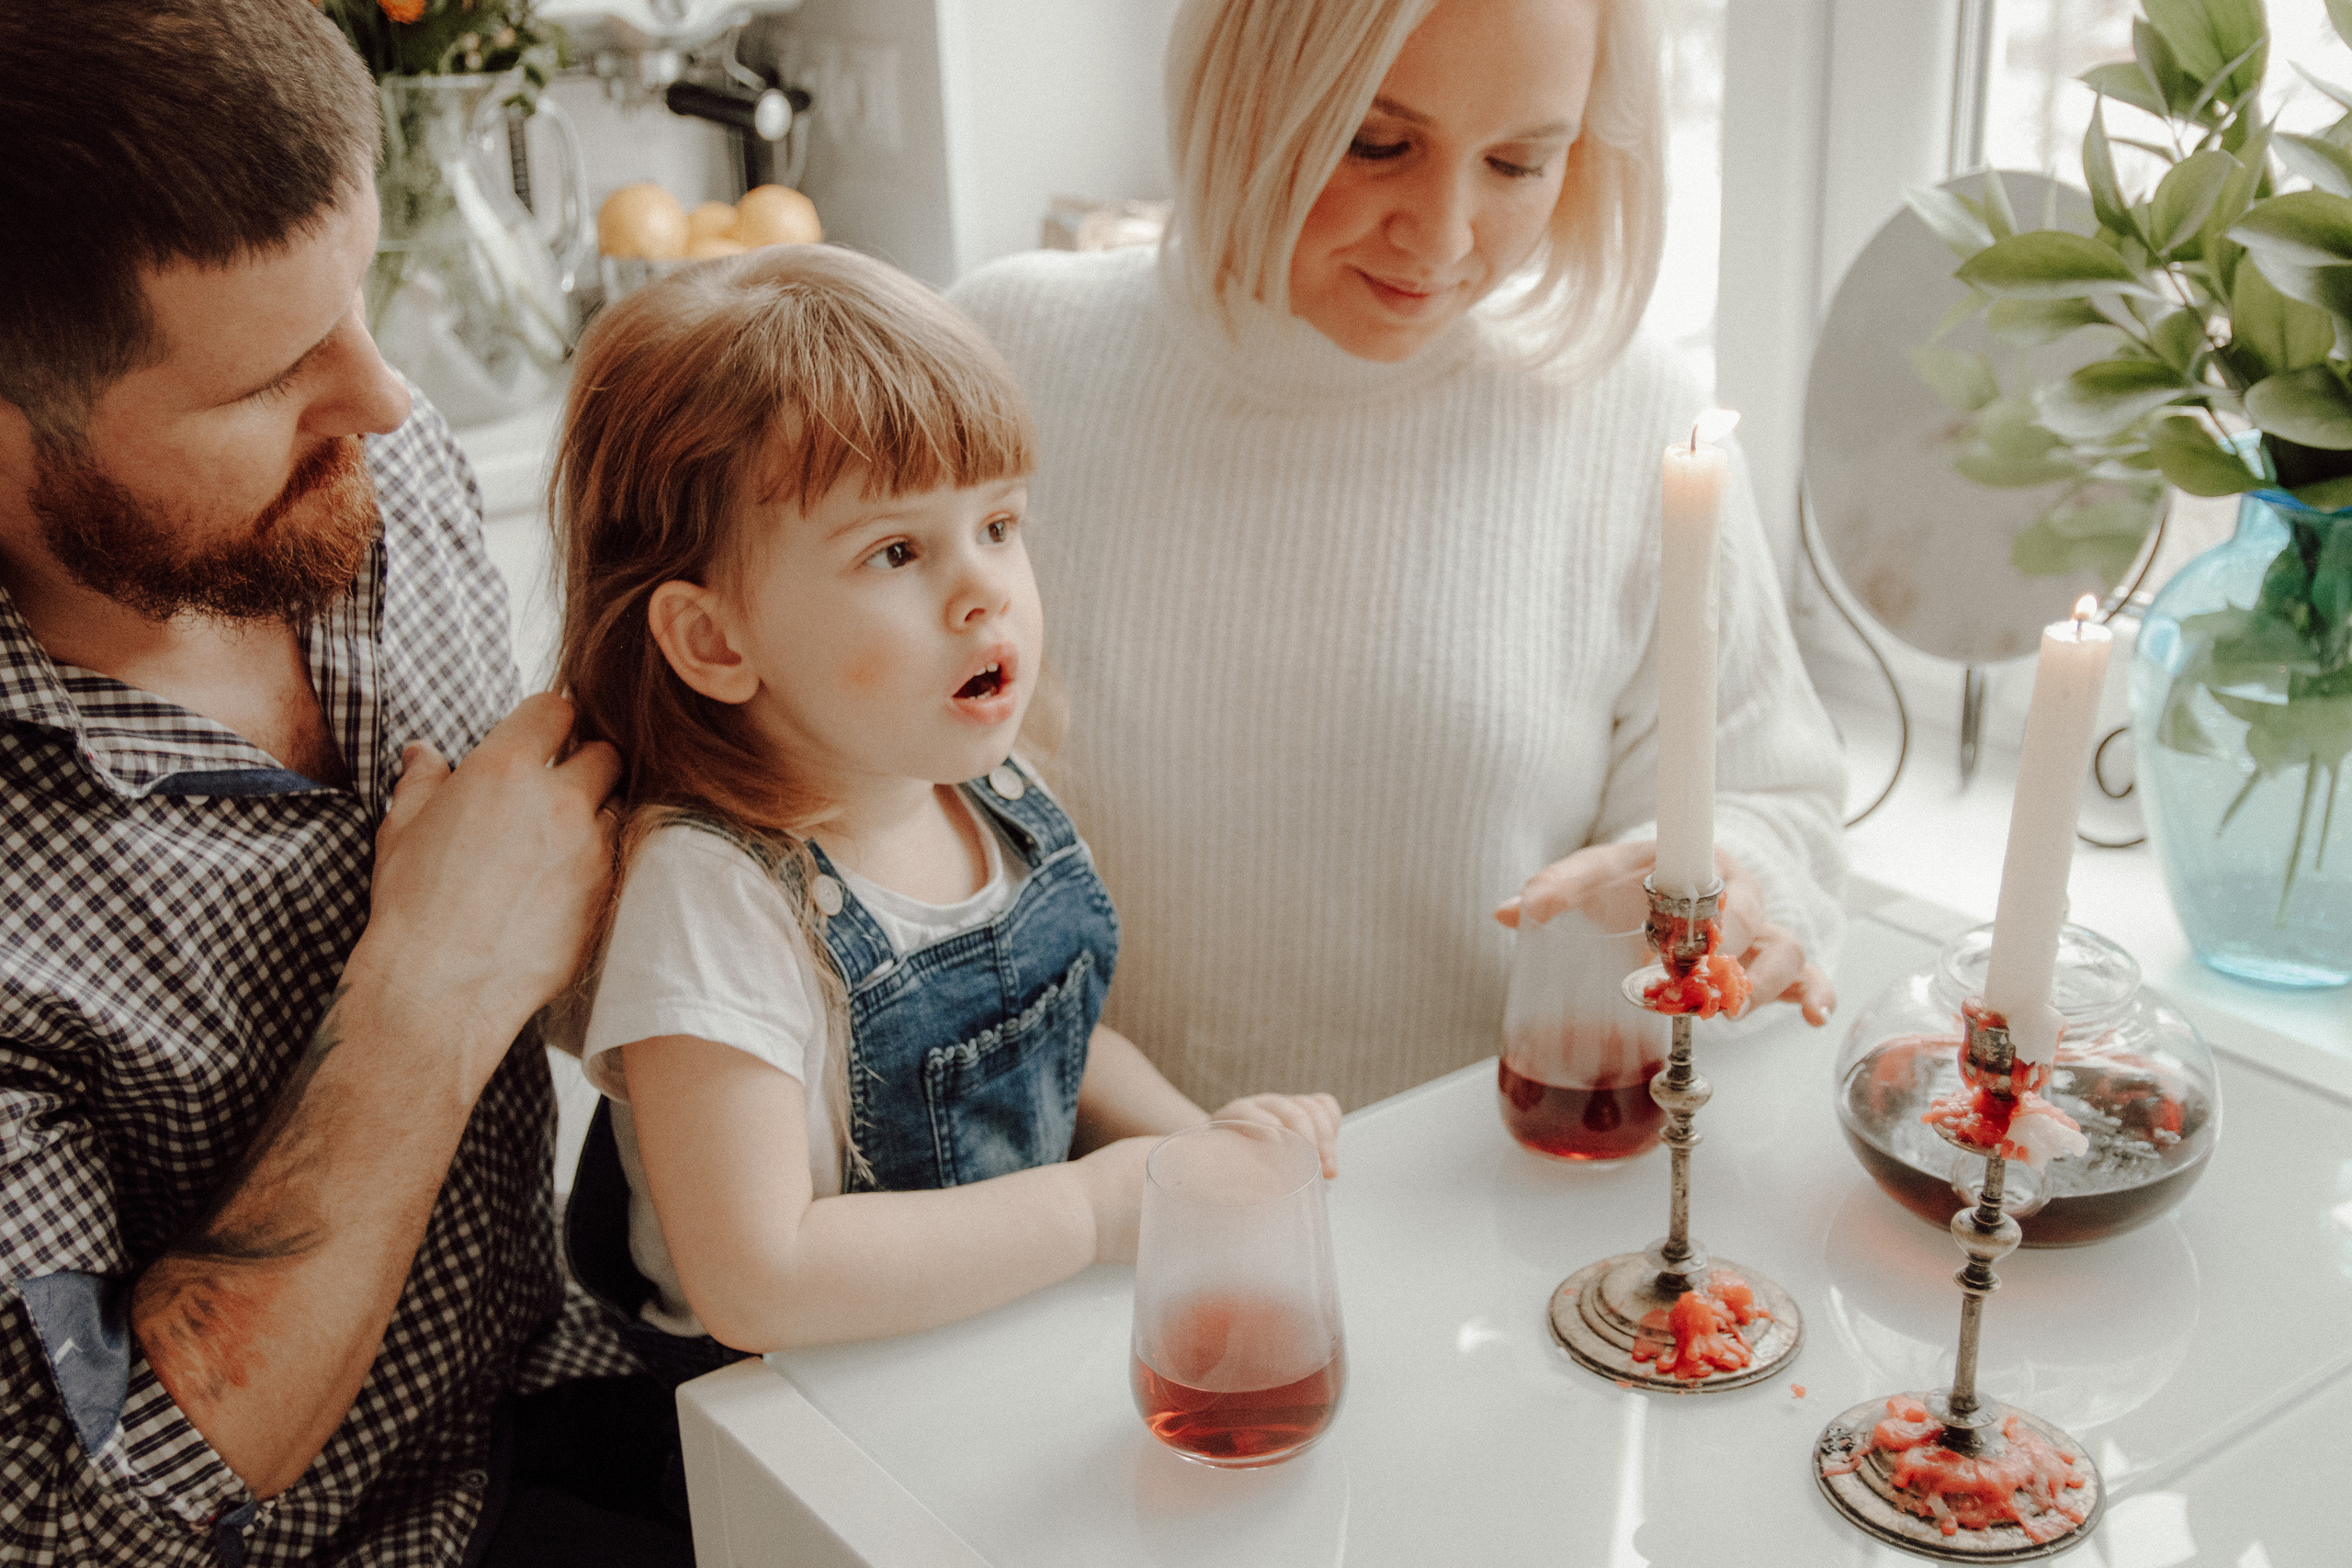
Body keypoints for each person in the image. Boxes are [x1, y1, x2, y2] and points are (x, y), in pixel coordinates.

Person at [0, 4, 690, 1562]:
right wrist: (432, 992)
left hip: (554, 1399)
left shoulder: (359, 457)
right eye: (267, 377)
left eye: (360, 298)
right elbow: (82, 1518)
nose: (384, 400)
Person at [949, 0, 1849, 1112]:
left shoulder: (1631, 417)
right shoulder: (1006, 355)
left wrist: (1712, 879)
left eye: (1519, 163)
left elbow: (1773, 797)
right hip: (1057, 1203)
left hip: (1476, 1202)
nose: (1444, 235)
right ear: (1241, 92)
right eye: (1376, 144)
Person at [546, 244, 1341, 1382]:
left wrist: (1194, 1153)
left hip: (966, 1350)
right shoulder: (710, 896)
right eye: (896, 550)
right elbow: (755, 1276)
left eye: (1000, 526)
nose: (984, 590)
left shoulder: (974, 785)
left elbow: (1060, 1045)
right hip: (775, 1425)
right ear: (717, 641)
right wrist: (1090, 1212)